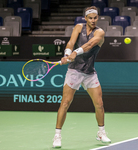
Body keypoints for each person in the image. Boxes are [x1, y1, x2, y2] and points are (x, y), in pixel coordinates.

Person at [53, 6, 111, 148]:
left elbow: (90, 44)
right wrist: (67, 54)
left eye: (95, 18)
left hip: (90, 73)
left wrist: (75, 53)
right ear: (85, 18)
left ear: (98, 18)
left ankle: (101, 132)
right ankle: (57, 136)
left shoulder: (100, 32)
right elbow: (71, 42)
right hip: (74, 71)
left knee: (99, 104)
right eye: (90, 18)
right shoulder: (78, 27)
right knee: (65, 103)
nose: (93, 20)